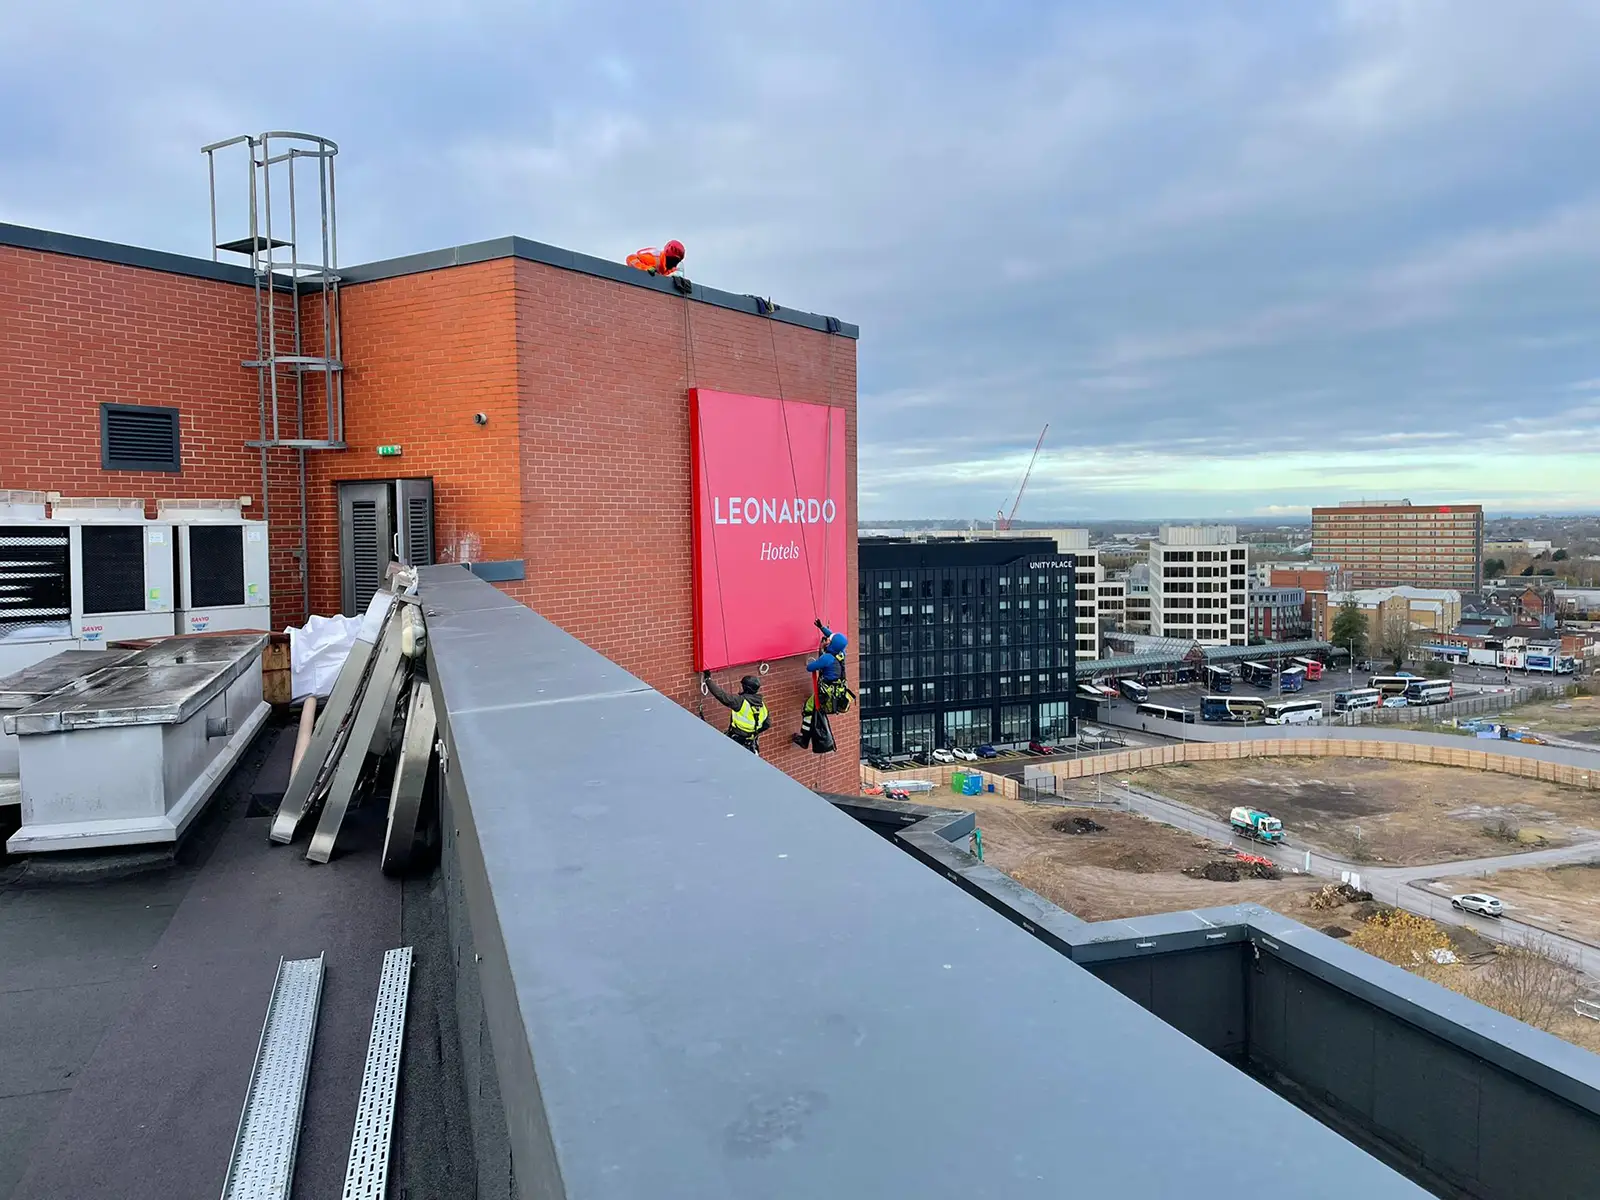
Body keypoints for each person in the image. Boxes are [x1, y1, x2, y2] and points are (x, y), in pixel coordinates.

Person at [793, 621, 854, 750]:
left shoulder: (827, 658)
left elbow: (810, 668)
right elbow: (833, 637)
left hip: (826, 693)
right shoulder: (841, 653)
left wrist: (821, 648)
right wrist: (822, 628)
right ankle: (805, 738)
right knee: (813, 709)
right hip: (836, 690)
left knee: (809, 708)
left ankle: (804, 739)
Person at [702, 670, 770, 753]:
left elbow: (722, 695)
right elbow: (767, 724)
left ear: (746, 688)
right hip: (750, 743)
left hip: (737, 741)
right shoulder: (762, 705)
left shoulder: (741, 702)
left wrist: (708, 679)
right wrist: (753, 731)